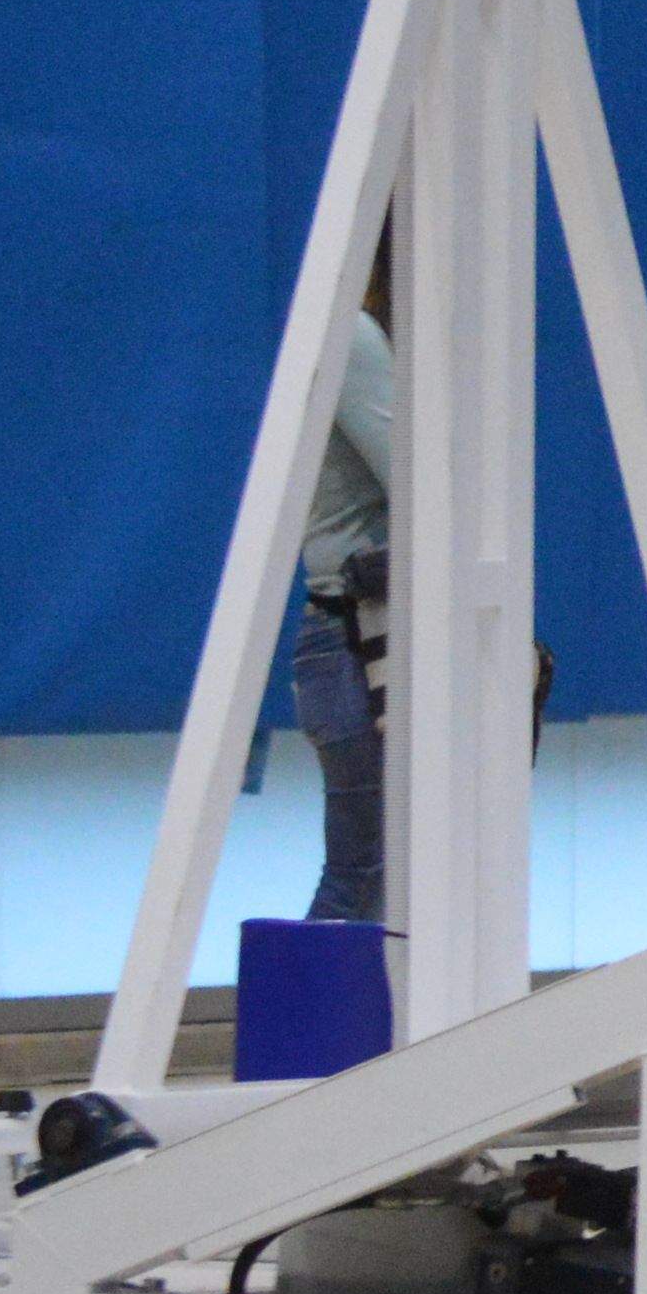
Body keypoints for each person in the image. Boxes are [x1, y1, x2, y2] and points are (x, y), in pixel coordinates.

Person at [293, 297, 394, 925]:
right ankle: (290, 1025)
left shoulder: (345, 333)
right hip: (356, 634)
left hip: (344, 629)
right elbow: (427, 476)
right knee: (364, 873)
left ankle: (312, 1023)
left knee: (367, 873)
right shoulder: (355, 335)